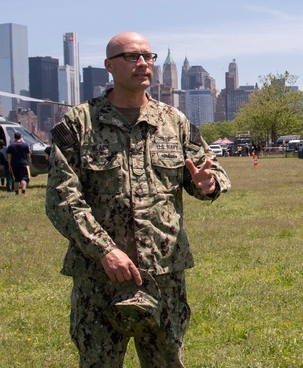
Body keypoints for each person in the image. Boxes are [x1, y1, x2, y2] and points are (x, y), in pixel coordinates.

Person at [45, 31, 231, 367]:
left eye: (148, 56)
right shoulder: (80, 123)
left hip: (163, 272)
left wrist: (208, 184)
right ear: (109, 67)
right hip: (100, 275)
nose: (143, 63)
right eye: (131, 56)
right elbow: (62, 197)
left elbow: (210, 173)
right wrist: (104, 250)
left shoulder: (174, 122)